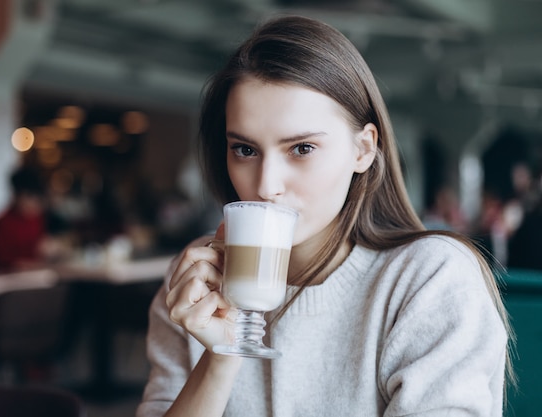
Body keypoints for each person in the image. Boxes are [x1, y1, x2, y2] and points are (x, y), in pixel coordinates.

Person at [136, 15, 512, 416]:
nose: (266, 186)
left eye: (301, 149)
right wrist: (222, 357)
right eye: (245, 150)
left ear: (363, 150)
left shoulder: (427, 279)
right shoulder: (196, 282)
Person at [0, 166, 57, 269]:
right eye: (30, 198)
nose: (34, 205)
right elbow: (4, 263)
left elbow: (42, 250)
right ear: (17, 196)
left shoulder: (37, 219)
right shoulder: (2, 224)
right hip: (9, 281)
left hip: (38, 278)